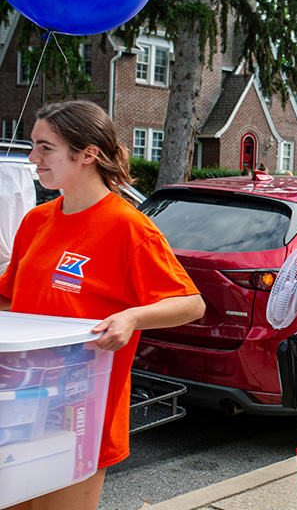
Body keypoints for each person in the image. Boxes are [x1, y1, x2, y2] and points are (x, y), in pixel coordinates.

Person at [0, 100, 205, 510]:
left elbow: (191, 304)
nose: (32, 158)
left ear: (87, 154)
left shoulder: (128, 226)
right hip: (19, 407)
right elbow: (10, 298)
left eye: (45, 148)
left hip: (79, 413)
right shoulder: (36, 220)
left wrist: (132, 316)